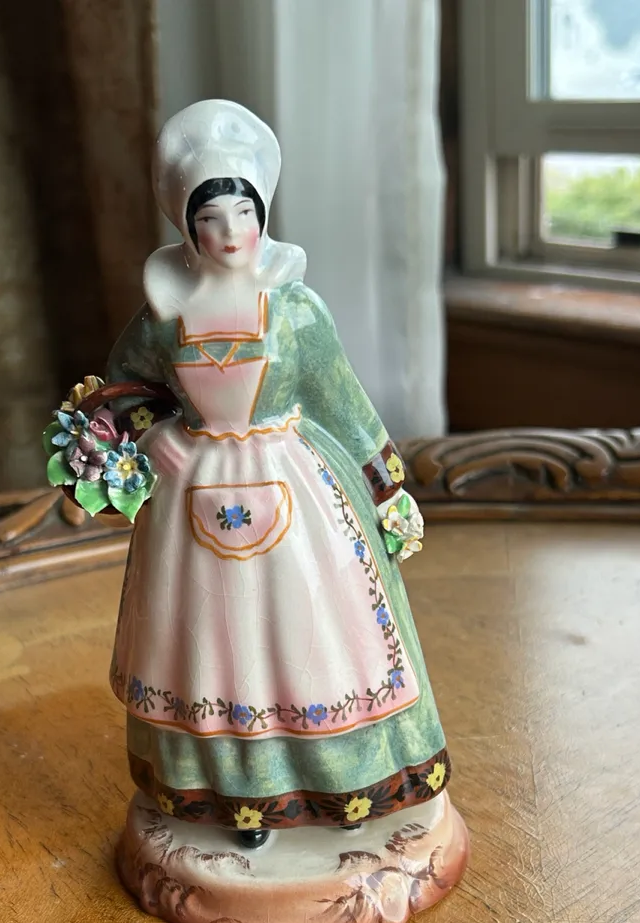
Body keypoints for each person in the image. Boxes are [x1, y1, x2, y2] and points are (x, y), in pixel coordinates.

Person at [104, 100, 450, 850]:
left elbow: (344, 402)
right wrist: (153, 432)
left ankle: (337, 783)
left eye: (243, 214)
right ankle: (233, 796)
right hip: (190, 500)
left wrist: (388, 485)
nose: (231, 234)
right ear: (187, 229)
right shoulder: (163, 315)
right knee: (210, 650)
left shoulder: (296, 311)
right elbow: (119, 390)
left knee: (312, 639)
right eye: (210, 220)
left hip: (295, 489)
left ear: (262, 216)